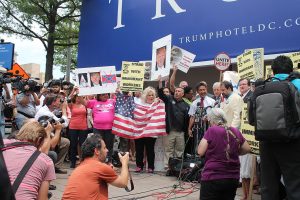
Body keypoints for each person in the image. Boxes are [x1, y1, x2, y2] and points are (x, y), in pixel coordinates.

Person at [255, 55, 300, 200]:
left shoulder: (262, 87)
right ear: (291, 69)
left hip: (266, 143)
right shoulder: (297, 83)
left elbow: (251, 119)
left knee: (268, 186)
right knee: (294, 184)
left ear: (272, 71)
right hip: (293, 141)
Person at [198, 108, 251, 200]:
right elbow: (247, 149)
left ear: (212, 120)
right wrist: (234, 152)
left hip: (213, 176)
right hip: (232, 177)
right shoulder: (235, 131)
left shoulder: (212, 130)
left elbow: (200, 152)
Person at [62, 134, 129, 200]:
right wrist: (124, 163)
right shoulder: (100, 167)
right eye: (104, 148)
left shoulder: (80, 167)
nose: (107, 150)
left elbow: (98, 188)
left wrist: (108, 172)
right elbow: (123, 183)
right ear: (97, 151)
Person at [2, 120, 56, 200]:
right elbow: (42, 198)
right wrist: (48, 134)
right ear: (39, 140)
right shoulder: (46, 160)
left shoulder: (3, 145)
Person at [158, 79, 190, 173]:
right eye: (176, 91)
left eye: (179, 91)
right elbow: (161, 95)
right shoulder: (169, 99)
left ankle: (177, 168)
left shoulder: (186, 105)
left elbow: (187, 120)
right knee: (169, 151)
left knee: (179, 151)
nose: (176, 92)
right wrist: (160, 84)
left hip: (180, 132)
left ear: (183, 94)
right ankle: (168, 168)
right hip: (170, 131)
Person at [35, 93, 70, 174]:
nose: (60, 103)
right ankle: (51, 167)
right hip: (42, 138)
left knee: (64, 141)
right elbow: (64, 124)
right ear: (53, 103)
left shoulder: (47, 109)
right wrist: (64, 109)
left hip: (46, 135)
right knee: (64, 142)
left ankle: (55, 166)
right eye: (58, 101)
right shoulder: (46, 113)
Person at [79, 91, 116, 163]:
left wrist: (117, 92)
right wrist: (79, 93)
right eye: (103, 94)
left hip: (110, 128)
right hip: (98, 128)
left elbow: (122, 102)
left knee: (109, 146)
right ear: (99, 96)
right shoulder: (94, 102)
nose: (105, 95)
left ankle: (109, 162)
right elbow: (83, 102)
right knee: (98, 145)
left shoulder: (112, 101)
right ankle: (98, 162)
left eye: (106, 94)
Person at [134, 87, 159, 173]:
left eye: (152, 95)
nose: (151, 96)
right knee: (139, 149)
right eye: (149, 95)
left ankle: (151, 167)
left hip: (151, 132)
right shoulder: (139, 103)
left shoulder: (157, 104)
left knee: (150, 149)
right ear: (145, 96)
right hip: (139, 130)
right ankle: (139, 166)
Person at [238, 78, 254, 200]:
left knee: (247, 170)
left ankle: (248, 196)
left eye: (244, 84)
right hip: (240, 135)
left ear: (249, 86)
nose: (242, 86)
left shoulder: (251, 97)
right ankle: (244, 195)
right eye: (240, 84)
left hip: (249, 137)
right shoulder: (240, 97)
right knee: (243, 170)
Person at [67, 91, 88, 168]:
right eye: (77, 97)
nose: (79, 99)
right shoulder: (72, 105)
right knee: (73, 144)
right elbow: (68, 99)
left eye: (80, 97)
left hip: (83, 126)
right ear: (75, 98)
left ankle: (83, 161)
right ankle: (73, 162)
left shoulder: (84, 105)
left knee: (83, 144)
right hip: (73, 127)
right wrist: (73, 90)